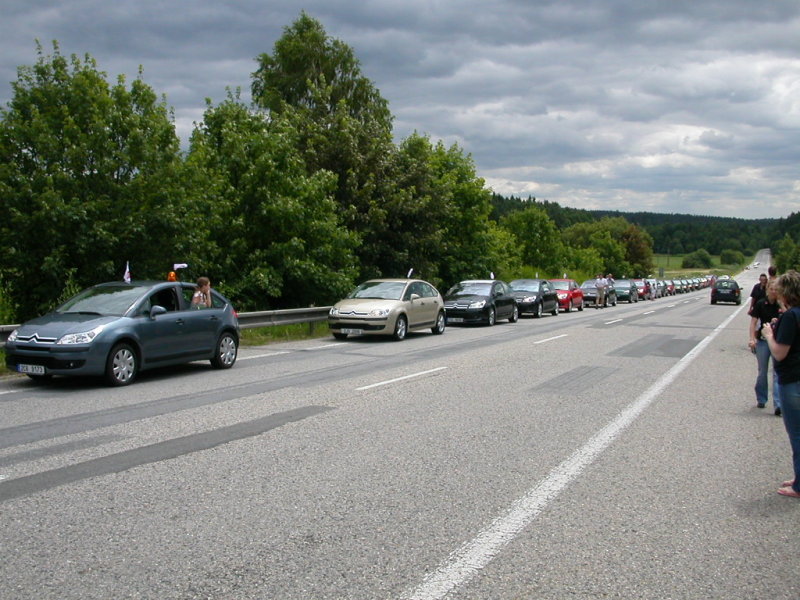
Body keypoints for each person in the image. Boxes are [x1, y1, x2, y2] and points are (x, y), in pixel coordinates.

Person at [761, 270, 800, 499]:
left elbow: (779, 353)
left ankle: (798, 486)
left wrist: (768, 334)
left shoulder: (790, 317)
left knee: (796, 433)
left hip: (792, 380)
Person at [749, 279, 782, 414]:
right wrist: (752, 339)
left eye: (776, 289)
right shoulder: (761, 304)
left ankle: (778, 404)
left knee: (776, 372)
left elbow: (789, 317)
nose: (774, 292)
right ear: (768, 289)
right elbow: (753, 322)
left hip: (777, 341)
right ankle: (761, 398)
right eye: (772, 289)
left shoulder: (781, 305)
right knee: (763, 371)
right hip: (763, 341)